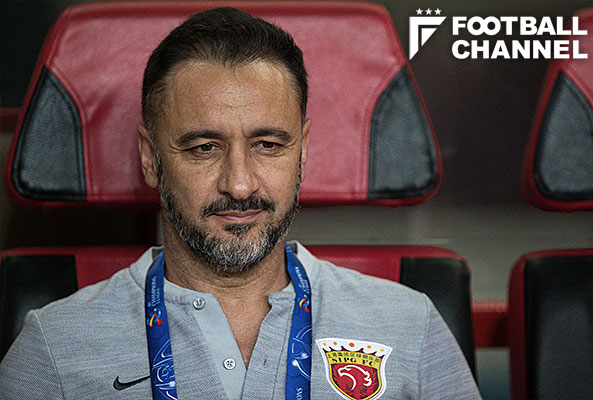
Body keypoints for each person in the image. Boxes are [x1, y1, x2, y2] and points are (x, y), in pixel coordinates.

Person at [0, 7, 480, 400]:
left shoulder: (411, 325)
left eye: (268, 145)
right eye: (204, 147)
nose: (241, 184)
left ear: (303, 152)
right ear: (150, 158)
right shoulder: (54, 348)